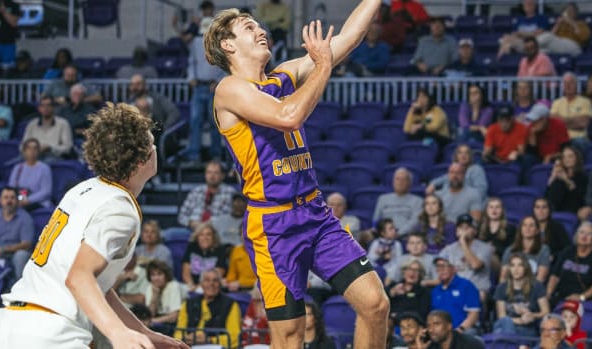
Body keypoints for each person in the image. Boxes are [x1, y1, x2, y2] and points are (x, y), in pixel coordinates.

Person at [206, 3, 389, 348]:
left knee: (375, 304)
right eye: (248, 27)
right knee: (290, 337)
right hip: (274, 224)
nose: (260, 29)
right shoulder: (229, 89)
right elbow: (289, 116)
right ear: (227, 45)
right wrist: (322, 65)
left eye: (258, 25)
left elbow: (348, 38)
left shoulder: (283, 76)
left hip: (316, 213)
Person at [0, 102, 187, 348]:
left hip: (6, 325)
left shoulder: (85, 189)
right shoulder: (120, 208)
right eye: (151, 143)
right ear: (140, 161)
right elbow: (79, 278)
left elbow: (96, 284)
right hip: (49, 334)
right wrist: (118, 334)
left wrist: (144, 333)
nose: (155, 147)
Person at [175, 1, 224, 164]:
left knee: (214, 121)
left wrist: (218, 81)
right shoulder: (196, 40)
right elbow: (192, 61)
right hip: (199, 86)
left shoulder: (220, 39)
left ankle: (216, 154)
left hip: (213, 87)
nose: (206, 12)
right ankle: (194, 155)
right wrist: (191, 78)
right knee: (195, 120)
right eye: (204, 9)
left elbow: (225, 63)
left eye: (208, 9)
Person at [175, 268, 241, 348]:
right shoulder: (188, 303)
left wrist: (210, 340)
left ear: (220, 284)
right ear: (201, 284)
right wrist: (186, 338)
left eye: (215, 281)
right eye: (207, 280)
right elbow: (178, 332)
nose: (211, 284)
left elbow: (234, 338)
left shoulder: (231, 305)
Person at [546, 221, 592, 306]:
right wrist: (549, 294)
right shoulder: (567, 251)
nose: (584, 236)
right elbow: (555, 276)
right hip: (562, 298)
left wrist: (582, 297)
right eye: (582, 232)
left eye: (589, 234)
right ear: (577, 235)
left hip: (586, 300)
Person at [439, 214, 493, 302]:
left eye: (467, 228)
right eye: (461, 228)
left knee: (479, 296)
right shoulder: (448, 249)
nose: (464, 230)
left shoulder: (485, 248)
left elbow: (475, 265)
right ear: (456, 231)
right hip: (453, 288)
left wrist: (463, 243)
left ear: (474, 231)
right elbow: (440, 271)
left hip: (476, 288)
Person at [493, 252, 549, 336]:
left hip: (527, 327)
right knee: (505, 323)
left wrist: (531, 315)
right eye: (512, 265)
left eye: (520, 265)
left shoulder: (536, 286)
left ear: (525, 268)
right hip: (505, 325)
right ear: (509, 268)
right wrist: (520, 321)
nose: (516, 269)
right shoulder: (501, 288)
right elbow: (501, 316)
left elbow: (546, 312)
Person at [0, 186, 34, 280]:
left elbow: (27, 244)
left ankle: (19, 290)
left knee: (21, 255)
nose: (9, 201)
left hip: (13, 254)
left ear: (17, 200)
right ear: (0, 200)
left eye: (12, 198)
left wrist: (3, 249)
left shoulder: (25, 218)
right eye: (6, 197)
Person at [177, 160, 235, 230]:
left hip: (217, 230)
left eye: (216, 173)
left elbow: (232, 217)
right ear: (205, 175)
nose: (212, 176)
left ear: (222, 176)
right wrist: (191, 223)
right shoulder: (196, 191)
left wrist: (210, 224)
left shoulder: (230, 192)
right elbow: (182, 216)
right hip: (194, 229)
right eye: (209, 172)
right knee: (170, 234)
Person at [430, 257, 480, 334]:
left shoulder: (466, 286)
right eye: (438, 267)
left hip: (463, 330)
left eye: (444, 266)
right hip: (440, 333)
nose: (441, 270)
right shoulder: (435, 291)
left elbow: (474, 314)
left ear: (454, 269)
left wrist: (460, 329)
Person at [22, 95, 74, 162]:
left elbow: (68, 148)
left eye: (48, 105)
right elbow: (23, 145)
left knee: (42, 164)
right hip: (32, 155)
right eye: (42, 106)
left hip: (52, 156)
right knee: (12, 164)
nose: (45, 108)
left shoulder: (63, 123)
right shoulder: (32, 124)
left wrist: (50, 148)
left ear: (53, 107)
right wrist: (31, 150)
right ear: (39, 108)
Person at [550, 72, 592, 152]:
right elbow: (554, 124)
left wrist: (562, 120)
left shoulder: (585, 102)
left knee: (578, 142)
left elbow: (583, 124)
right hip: (560, 140)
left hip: (578, 139)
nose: (568, 85)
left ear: (576, 85)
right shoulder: (556, 102)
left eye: (571, 82)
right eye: (565, 83)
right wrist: (574, 120)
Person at [501, 215, 551, 283]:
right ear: (520, 229)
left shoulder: (544, 250)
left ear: (537, 230)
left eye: (531, 225)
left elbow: (541, 278)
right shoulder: (510, 250)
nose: (527, 228)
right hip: (512, 289)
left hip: (533, 290)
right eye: (524, 225)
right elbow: (503, 277)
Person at [374, 167, 422, 236]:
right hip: (384, 236)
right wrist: (375, 230)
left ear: (410, 183)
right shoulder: (382, 199)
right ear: (393, 182)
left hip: (406, 237)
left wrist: (398, 233)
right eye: (397, 179)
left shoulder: (418, 201)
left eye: (404, 179)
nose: (400, 182)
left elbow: (415, 222)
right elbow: (376, 220)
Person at [8, 138, 53, 211]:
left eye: (35, 148)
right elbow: (11, 187)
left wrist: (28, 200)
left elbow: (46, 191)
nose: (32, 151)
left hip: (38, 202)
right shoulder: (18, 168)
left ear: (38, 151)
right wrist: (19, 199)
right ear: (24, 151)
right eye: (29, 148)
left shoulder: (44, 168)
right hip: (20, 200)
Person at [181, 223, 227, 291]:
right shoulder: (191, 247)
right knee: (174, 287)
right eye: (201, 234)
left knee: (201, 290)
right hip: (191, 285)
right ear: (197, 237)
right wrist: (191, 285)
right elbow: (186, 273)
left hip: (210, 286)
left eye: (208, 234)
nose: (205, 238)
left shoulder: (220, 250)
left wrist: (199, 287)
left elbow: (218, 274)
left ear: (213, 237)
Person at [545, 145, 588, 214]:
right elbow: (547, 199)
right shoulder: (558, 177)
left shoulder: (583, 177)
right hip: (556, 211)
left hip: (573, 211)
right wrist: (552, 178)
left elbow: (580, 198)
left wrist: (566, 180)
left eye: (570, 156)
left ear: (576, 158)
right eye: (564, 157)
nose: (567, 159)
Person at [478, 197, 516, 275]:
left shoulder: (510, 229)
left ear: (502, 210)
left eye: (497, 207)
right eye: (491, 207)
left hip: (502, 264)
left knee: (490, 255)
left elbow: (512, 250)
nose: (494, 210)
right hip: (480, 260)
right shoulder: (479, 228)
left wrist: (496, 249)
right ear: (486, 210)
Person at [144, 260, 183, 328]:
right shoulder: (150, 287)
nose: (156, 278)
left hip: (174, 326)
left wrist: (153, 321)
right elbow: (151, 314)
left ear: (166, 275)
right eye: (153, 275)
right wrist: (154, 296)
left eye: (159, 274)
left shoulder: (173, 286)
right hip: (158, 323)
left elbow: (173, 317)